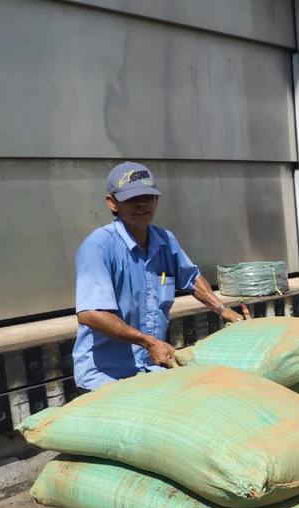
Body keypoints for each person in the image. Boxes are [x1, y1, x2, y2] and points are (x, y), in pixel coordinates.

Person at [73, 161, 247, 392]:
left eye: (147, 197)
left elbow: (191, 278)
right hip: (106, 376)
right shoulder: (98, 247)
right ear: (112, 203)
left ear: (156, 200)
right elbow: (91, 314)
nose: (141, 203)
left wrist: (222, 309)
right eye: (132, 198)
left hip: (151, 368)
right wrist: (149, 342)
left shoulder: (165, 240)